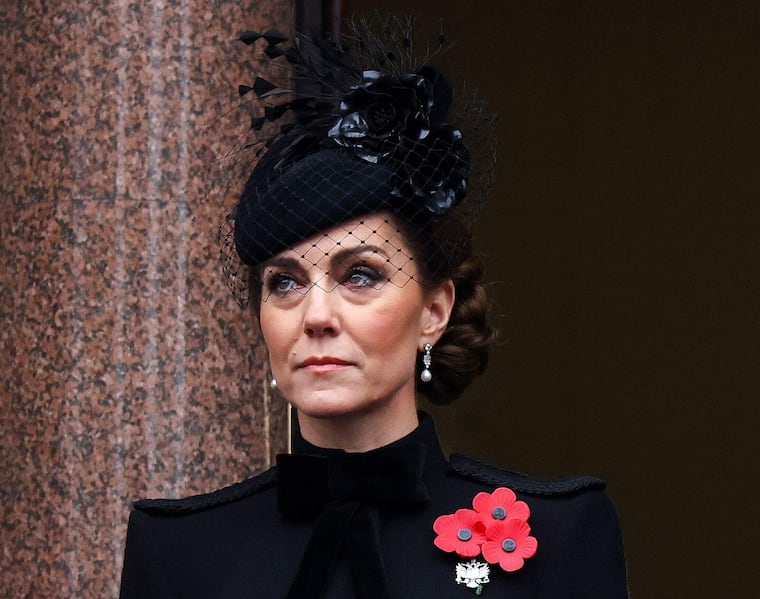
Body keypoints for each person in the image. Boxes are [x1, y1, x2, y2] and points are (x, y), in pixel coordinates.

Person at [119, 16, 628, 598]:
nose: (315, 316)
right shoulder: (180, 550)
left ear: (434, 312)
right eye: (284, 283)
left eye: (360, 275)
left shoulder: (557, 536)